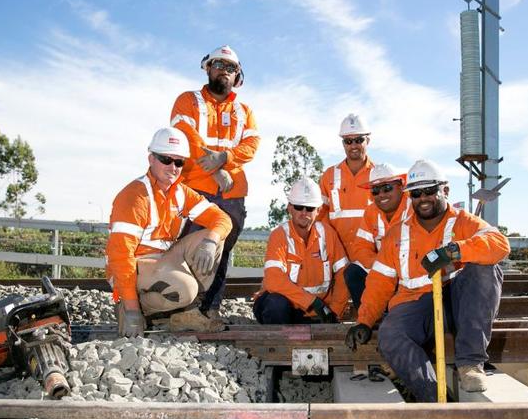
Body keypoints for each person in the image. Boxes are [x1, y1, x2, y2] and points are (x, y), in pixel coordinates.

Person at [344, 159, 510, 401]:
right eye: (416, 193)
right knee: (390, 333)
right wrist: (364, 321)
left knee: (485, 269)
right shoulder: (397, 234)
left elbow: (499, 245)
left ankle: (470, 364)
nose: (422, 198)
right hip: (418, 305)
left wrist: (454, 251)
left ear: (445, 190)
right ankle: (434, 399)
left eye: (430, 191)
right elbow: (379, 282)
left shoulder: (463, 222)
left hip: (458, 305)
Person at [106, 127, 233, 337]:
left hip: (162, 260)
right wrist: (131, 308)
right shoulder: (134, 197)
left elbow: (222, 219)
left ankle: (185, 314)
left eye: (179, 162)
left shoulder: (181, 193)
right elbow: (120, 256)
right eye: (166, 159)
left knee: (215, 237)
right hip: (131, 266)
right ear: (151, 159)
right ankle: (134, 308)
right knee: (186, 288)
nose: (173, 167)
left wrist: (210, 240)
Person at [170, 44, 260, 321]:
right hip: (195, 189)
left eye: (230, 67)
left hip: (232, 194)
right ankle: (182, 308)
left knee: (220, 251)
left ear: (238, 77)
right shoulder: (188, 100)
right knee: (189, 248)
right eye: (218, 65)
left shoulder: (244, 110)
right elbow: (185, 136)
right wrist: (214, 171)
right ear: (207, 68)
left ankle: (210, 309)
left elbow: (252, 144)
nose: (224, 71)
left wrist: (224, 158)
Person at [254, 177, 350, 325]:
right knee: (276, 304)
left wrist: (335, 311)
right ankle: (279, 345)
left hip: (316, 312)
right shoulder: (279, 235)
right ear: (289, 208)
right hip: (286, 308)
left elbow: (344, 272)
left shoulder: (328, 234)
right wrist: (311, 301)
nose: (304, 212)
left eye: (310, 208)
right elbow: (273, 280)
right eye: (299, 207)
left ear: (318, 210)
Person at [344, 163, 411, 309]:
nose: (381, 195)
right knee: (353, 272)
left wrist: (396, 270)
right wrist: (381, 266)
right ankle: (371, 321)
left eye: (387, 188)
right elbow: (360, 248)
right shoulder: (371, 212)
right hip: (382, 269)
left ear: (401, 185)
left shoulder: (413, 208)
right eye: (375, 191)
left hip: (410, 272)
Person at [319, 113, 374, 259]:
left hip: (370, 259)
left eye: (358, 140)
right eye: (348, 141)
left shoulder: (379, 176)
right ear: (343, 143)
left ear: (367, 140)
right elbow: (318, 216)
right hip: (337, 258)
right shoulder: (328, 176)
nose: (354, 145)